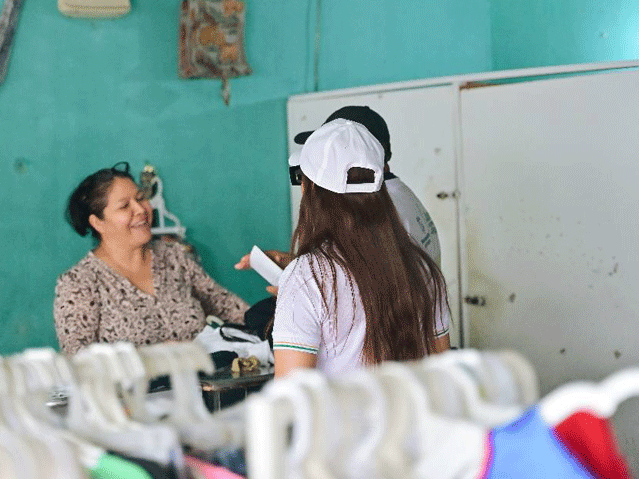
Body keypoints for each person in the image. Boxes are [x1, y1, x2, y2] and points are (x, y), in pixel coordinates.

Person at [271, 119, 450, 378]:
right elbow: (442, 376)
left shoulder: (307, 276)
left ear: (310, 188)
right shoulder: (420, 266)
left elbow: (292, 394)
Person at [54, 162, 249, 354]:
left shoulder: (174, 257)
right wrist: (152, 357)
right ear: (98, 223)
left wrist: (266, 322)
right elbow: (78, 361)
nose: (141, 210)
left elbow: (229, 308)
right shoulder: (79, 283)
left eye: (141, 199)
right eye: (124, 206)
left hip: (202, 375)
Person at [236, 105, 441, 273]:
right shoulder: (395, 194)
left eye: (330, 152)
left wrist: (298, 290)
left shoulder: (373, 212)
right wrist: (294, 267)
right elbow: (355, 275)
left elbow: (354, 294)